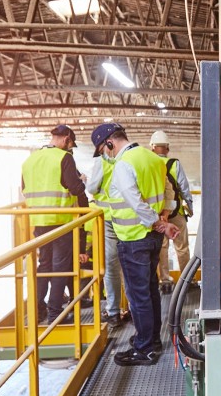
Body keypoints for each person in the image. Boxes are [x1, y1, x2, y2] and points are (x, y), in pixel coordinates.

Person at [89, 122, 179, 366]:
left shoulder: (123, 165)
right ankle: (151, 339)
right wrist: (163, 221)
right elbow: (167, 193)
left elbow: (135, 202)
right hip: (151, 238)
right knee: (150, 290)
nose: (105, 154)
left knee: (139, 296)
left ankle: (145, 348)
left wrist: (158, 224)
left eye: (103, 149)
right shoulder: (152, 159)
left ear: (110, 143)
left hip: (134, 238)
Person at [21, 124, 88, 324]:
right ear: (67, 139)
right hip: (61, 222)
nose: (70, 149)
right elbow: (76, 188)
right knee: (60, 268)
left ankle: (38, 310)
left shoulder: (30, 160)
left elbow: (25, 188)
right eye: (70, 144)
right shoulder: (64, 158)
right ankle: (54, 314)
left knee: (44, 266)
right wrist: (82, 180)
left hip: (39, 221)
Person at [85, 153, 127, 328]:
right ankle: (135, 309)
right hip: (129, 217)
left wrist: (86, 181)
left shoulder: (101, 162)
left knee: (111, 267)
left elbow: (92, 188)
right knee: (132, 266)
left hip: (109, 219)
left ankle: (113, 312)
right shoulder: (129, 159)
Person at [149, 130, 193, 283]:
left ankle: (165, 280)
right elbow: (184, 188)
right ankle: (187, 280)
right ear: (167, 148)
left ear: (152, 148)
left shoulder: (150, 164)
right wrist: (190, 206)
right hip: (176, 212)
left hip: (158, 215)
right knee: (182, 247)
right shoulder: (175, 164)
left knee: (162, 248)